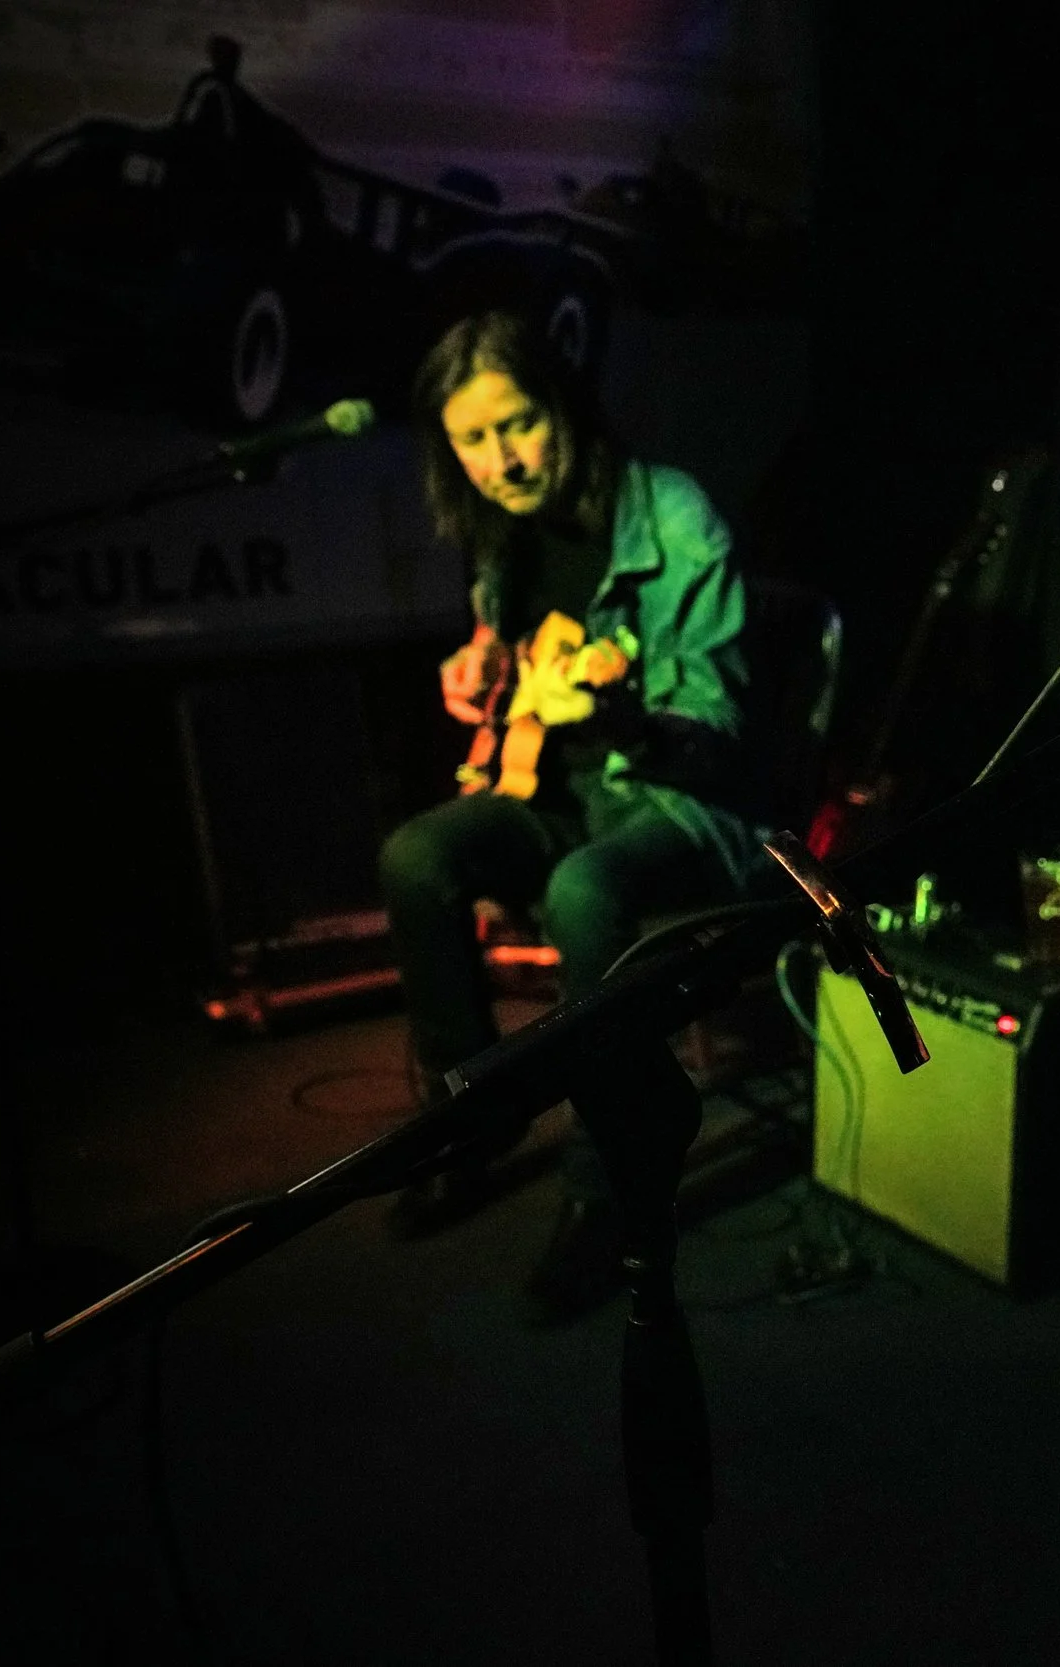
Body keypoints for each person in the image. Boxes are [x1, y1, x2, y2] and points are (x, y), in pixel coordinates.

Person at [378, 310, 763, 1317]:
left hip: (682, 801)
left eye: (520, 425)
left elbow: (717, 735)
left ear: (566, 410)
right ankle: (478, 1116)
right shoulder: (499, 529)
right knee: (416, 855)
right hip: (554, 789)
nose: (500, 460)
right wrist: (482, 669)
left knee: (582, 888)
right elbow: (515, 664)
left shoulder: (670, 513)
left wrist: (619, 708)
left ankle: (609, 1194)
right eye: (472, 438)